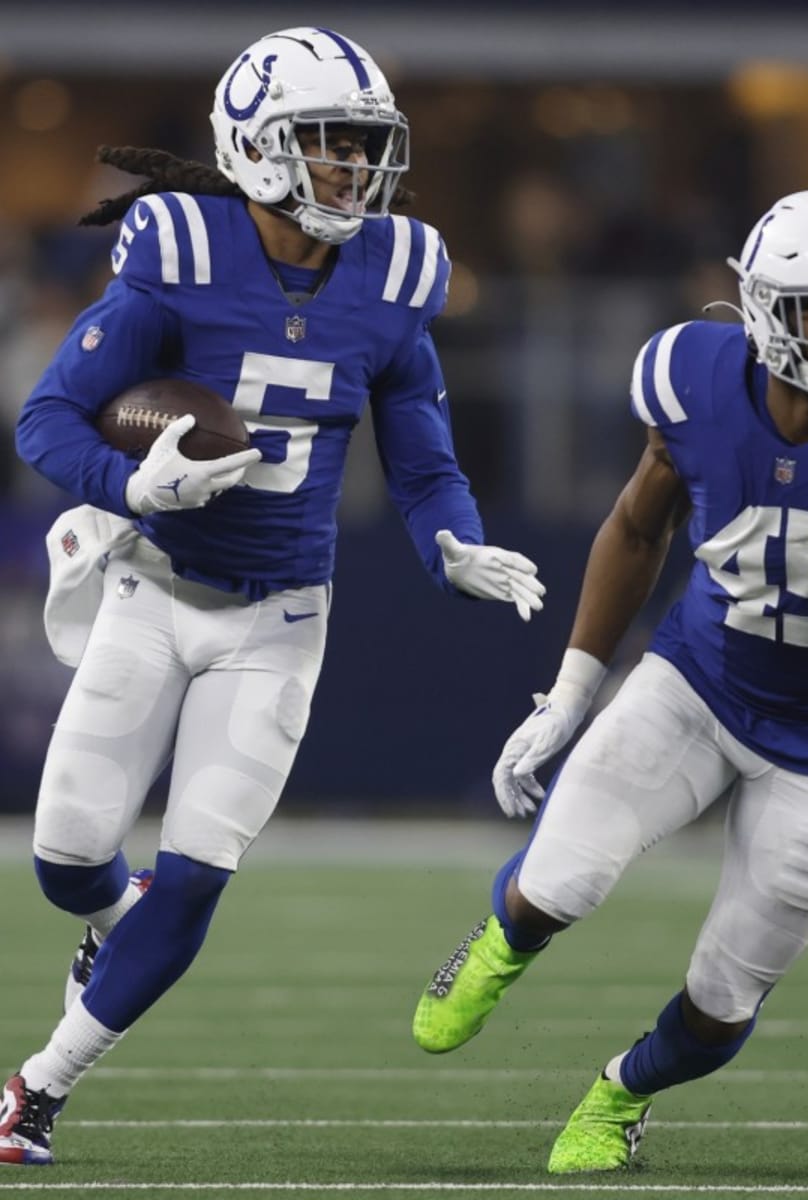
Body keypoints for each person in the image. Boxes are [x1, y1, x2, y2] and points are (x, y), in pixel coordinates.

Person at [0, 27, 544, 1168]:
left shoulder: (395, 275)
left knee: (197, 874)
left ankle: (39, 1089)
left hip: (282, 617)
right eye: (326, 145)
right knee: (65, 861)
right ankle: (115, 920)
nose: (353, 171)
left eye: (365, 147)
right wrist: (129, 480)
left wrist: (454, 543)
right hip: (153, 590)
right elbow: (46, 416)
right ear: (253, 147)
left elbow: (424, 452)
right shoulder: (180, 252)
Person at [411, 188, 808, 1174]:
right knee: (557, 880)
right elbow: (633, 525)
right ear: (763, 309)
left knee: (724, 999)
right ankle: (496, 944)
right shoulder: (691, 376)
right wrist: (572, 691)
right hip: (697, 684)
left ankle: (620, 1094)